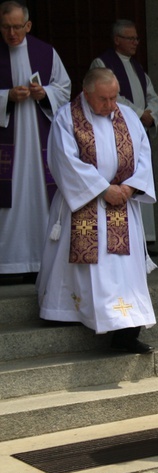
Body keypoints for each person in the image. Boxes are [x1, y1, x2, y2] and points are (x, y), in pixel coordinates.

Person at [37, 68, 156, 354]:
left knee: (123, 272)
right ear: (86, 94)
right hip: (84, 205)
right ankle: (69, 312)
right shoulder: (67, 117)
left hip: (123, 208)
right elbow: (64, 160)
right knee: (86, 266)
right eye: (103, 99)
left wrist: (128, 188)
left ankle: (126, 332)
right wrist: (103, 189)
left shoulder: (127, 116)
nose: (111, 104)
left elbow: (143, 156)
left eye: (114, 97)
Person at [0, 0, 71, 280]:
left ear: (28, 26)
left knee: (41, 198)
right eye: (6, 27)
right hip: (8, 141)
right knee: (10, 200)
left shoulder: (46, 52)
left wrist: (45, 94)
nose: (12, 33)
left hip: (39, 137)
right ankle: (8, 264)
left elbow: (64, 89)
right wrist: (6, 97)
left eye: (17, 27)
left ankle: (42, 261)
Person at [91, 19, 158, 254]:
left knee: (141, 176)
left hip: (138, 131)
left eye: (137, 38)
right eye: (130, 38)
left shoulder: (137, 67)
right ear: (117, 39)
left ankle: (145, 238)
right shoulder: (102, 63)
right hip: (116, 131)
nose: (135, 43)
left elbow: (152, 95)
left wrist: (151, 114)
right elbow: (110, 96)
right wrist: (140, 114)